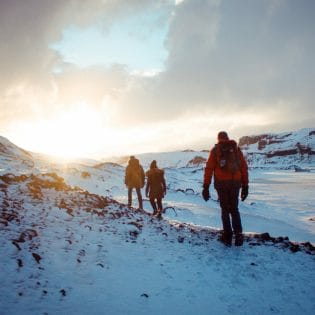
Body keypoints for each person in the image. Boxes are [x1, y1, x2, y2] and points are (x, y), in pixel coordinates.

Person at [202, 131, 249, 246]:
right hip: (235, 183)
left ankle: (227, 236)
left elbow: (209, 169)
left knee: (224, 209)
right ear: (227, 138)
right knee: (234, 208)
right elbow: (243, 168)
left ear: (218, 138)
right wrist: (245, 186)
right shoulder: (236, 149)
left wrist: (206, 186)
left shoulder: (215, 150)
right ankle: (238, 235)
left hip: (222, 183)